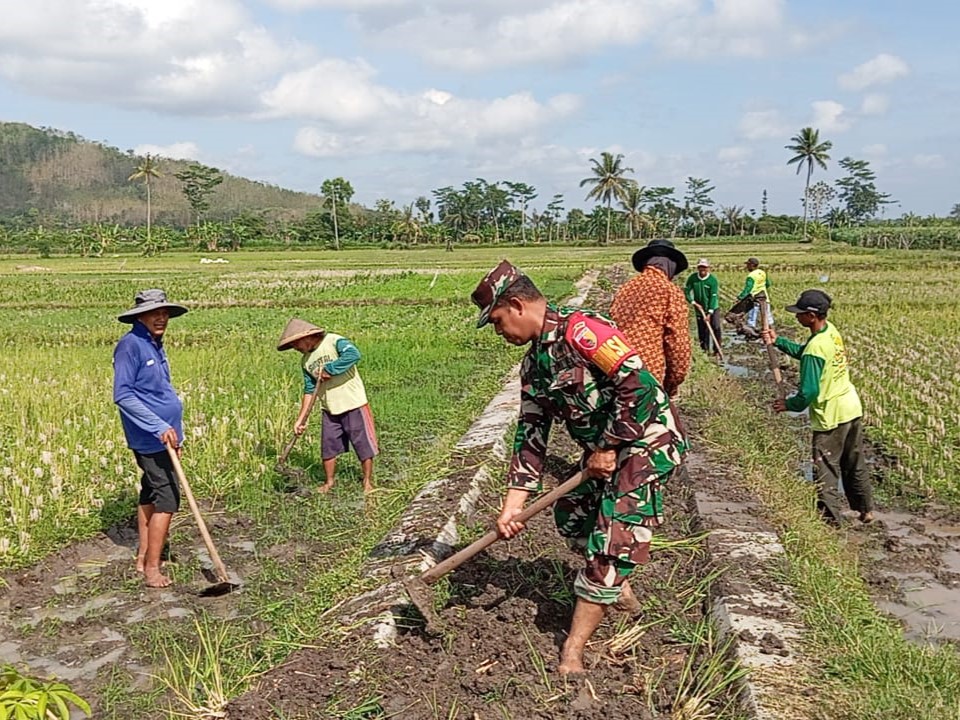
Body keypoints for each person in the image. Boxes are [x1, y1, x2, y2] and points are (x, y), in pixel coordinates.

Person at [472, 260, 688, 675]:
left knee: (611, 541)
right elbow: (530, 436)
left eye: (498, 322)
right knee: (571, 515)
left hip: (647, 442)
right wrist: (512, 505)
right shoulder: (534, 366)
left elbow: (638, 384)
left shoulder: (584, 332)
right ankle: (615, 590)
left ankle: (573, 648)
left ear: (517, 305)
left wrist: (607, 445)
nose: (500, 333)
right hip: (602, 453)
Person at [761, 289, 874, 524]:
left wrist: (789, 404)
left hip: (831, 415)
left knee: (825, 468)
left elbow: (809, 392)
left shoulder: (816, 347)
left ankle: (830, 522)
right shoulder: (830, 333)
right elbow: (806, 354)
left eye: (800, 313)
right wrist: (778, 342)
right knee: (854, 462)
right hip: (851, 407)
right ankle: (866, 510)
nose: (796, 317)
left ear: (812, 316)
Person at [113, 289, 188, 588]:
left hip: (166, 437)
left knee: (150, 493)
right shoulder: (130, 346)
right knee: (168, 500)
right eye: (155, 313)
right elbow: (123, 395)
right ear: (140, 316)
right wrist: (158, 426)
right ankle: (152, 569)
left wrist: (174, 431)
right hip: (150, 438)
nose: (161, 318)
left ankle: (144, 555)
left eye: (165, 313)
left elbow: (159, 392)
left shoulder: (155, 344)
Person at [277, 318, 377, 494]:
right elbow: (309, 390)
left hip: (353, 402)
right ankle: (329, 482)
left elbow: (353, 355)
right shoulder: (306, 362)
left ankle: (367, 482)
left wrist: (330, 369)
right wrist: (300, 420)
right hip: (330, 408)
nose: (296, 349)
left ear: (307, 337)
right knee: (328, 447)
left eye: (296, 344)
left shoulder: (334, 341)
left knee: (363, 444)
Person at [609, 239, 691, 396]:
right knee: (642, 418)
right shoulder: (670, 291)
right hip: (646, 373)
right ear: (670, 266)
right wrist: (672, 384)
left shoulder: (626, 288)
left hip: (614, 365)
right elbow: (678, 344)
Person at [684, 258, 721, 355]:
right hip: (699, 308)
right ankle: (704, 350)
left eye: (704, 267)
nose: (702, 269)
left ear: (708, 268)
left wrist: (709, 313)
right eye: (700, 267)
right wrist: (693, 303)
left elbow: (713, 297)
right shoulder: (693, 278)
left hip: (713, 308)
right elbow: (686, 291)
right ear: (698, 268)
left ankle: (716, 350)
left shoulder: (712, 281)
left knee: (716, 327)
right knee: (702, 330)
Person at [736, 256, 774, 335]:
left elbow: (748, 289)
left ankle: (750, 334)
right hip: (764, 298)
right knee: (768, 317)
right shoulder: (762, 272)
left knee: (752, 318)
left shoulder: (751, 276)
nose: (747, 266)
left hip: (754, 299)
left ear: (752, 265)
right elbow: (768, 284)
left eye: (748, 265)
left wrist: (740, 297)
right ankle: (771, 333)